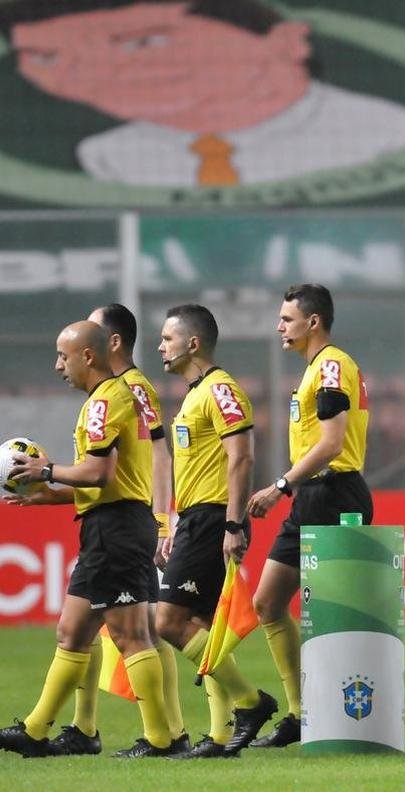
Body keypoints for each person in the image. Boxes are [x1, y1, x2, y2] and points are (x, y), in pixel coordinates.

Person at [0, 321, 174, 757]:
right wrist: (51, 496)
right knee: (71, 632)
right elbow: (108, 480)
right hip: (113, 523)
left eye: (63, 356)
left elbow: (99, 474)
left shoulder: (106, 402)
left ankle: (163, 739)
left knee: (130, 635)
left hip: (117, 530)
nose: (57, 366)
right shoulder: (106, 400)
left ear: (88, 356)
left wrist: (46, 470)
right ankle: (36, 731)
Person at [0, 0, 405, 187]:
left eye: (144, 42)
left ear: (285, 41)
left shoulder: (396, 138)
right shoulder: (108, 156)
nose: (100, 71)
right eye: (47, 57)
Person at [246, 284, 374, 748]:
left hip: (336, 494)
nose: (280, 326)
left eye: (287, 319)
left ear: (313, 322)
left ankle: (352, 717)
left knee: (338, 614)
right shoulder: (313, 371)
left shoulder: (331, 367)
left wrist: (280, 486)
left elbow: (332, 444)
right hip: (312, 497)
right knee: (267, 603)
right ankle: (302, 714)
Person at [155, 304, 278, 758]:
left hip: (212, 518)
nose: (159, 347)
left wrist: (232, 523)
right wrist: (172, 522)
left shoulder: (222, 390)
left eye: (166, 339)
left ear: (192, 343)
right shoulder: (193, 393)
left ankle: (251, 702)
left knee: (167, 621)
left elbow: (241, 457)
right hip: (194, 517)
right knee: (202, 625)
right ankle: (222, 736)